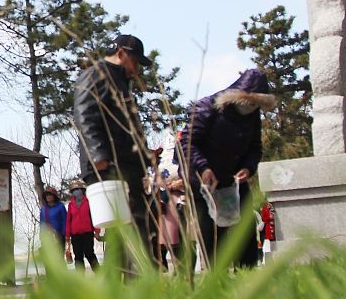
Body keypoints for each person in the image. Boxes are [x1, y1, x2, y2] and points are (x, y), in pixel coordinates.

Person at [177, 67, 276, 269]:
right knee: (213, 233)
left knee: (246, 228)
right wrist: (203, 168)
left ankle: (247, 273)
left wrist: (248, 168)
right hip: (202, 180)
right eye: (248, 100)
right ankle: (217, 277)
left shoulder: (252, 116)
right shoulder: (207, 108)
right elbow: (188, 143)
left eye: (256, 104)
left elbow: (255, 148)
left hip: (234, 180)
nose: (251, 107)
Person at [73, 34, 154, 251]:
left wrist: (145, 159)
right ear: (121, 54)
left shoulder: (120, 82)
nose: (137, 69)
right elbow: (85, 115)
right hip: (108, 165)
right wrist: (98, 156)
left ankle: (130, 280)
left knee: (132, 224)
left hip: (126, 163)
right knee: (127, 226)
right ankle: (134, 279)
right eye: (135, 61)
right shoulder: (97, 75)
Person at [64, 182, 100, 272]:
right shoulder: (71, 204)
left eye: (78, 189)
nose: (77, 191)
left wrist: (97, 230)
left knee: (89, 254)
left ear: (83, 190)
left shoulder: (89, 201)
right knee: (78, 256)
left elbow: (94, 216)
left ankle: (100, 274)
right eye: (74, 190)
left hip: (88, 232)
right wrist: (67, 235)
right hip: (75, 234)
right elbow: (68, 220)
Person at [39, 187, 67, 253]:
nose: (48, 197)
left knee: (59, 257)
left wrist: (63, 234)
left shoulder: (60, 206)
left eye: (50, 195)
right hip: (47, 236)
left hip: (59, 235)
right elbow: (42, 223)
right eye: (46, 195)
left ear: (54, 196)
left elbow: (65, 220)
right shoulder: (43, 209)